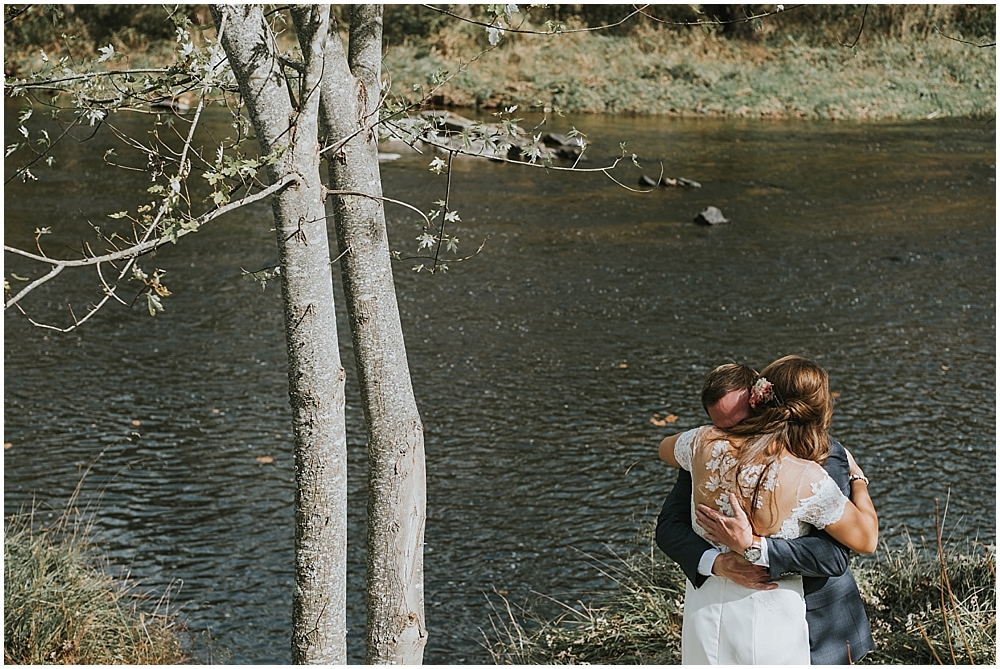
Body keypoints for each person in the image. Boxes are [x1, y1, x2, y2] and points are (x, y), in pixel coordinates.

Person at [656, 356, 877, 664]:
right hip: (758, 612)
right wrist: (858, 478)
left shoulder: (704, 442)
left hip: (810, 620)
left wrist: (755, 549)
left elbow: (831, 554)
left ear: (759, 399)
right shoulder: (802, 472)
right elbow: (865, 541)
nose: (732, 430)